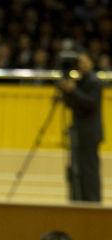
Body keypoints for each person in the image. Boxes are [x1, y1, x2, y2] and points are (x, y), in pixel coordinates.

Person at [58, 52, 104, 202]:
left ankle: (92, 201)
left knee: (89, 170)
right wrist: (66, 90)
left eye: (85, 61)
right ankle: (78, 198)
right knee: (77, 169)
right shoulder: (79, 81)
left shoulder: (94, 81)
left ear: (91, 63)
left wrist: (73, 91)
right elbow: (70, 104)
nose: (82, 65)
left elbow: (90, 104)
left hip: (89, 133)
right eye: (79, 62)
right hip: (78, 132)